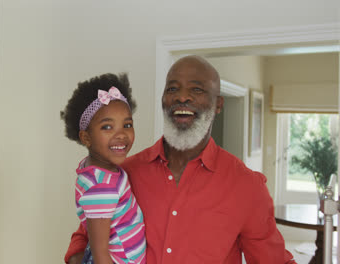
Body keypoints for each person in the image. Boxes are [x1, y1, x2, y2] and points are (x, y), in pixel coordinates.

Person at [64, 56, 296, 264]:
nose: (182, 97)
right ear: (163, 99)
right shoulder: (124, 172)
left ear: (218, 105)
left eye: (196, 90)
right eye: (172, 89)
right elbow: (88, 233)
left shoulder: (247, 186)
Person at [61, 73, 147, 264]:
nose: (121, 134)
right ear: (86, 138)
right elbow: (100, 254)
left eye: (127, 124)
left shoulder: (96, 168)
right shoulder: (102, 187)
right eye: (107, 127)